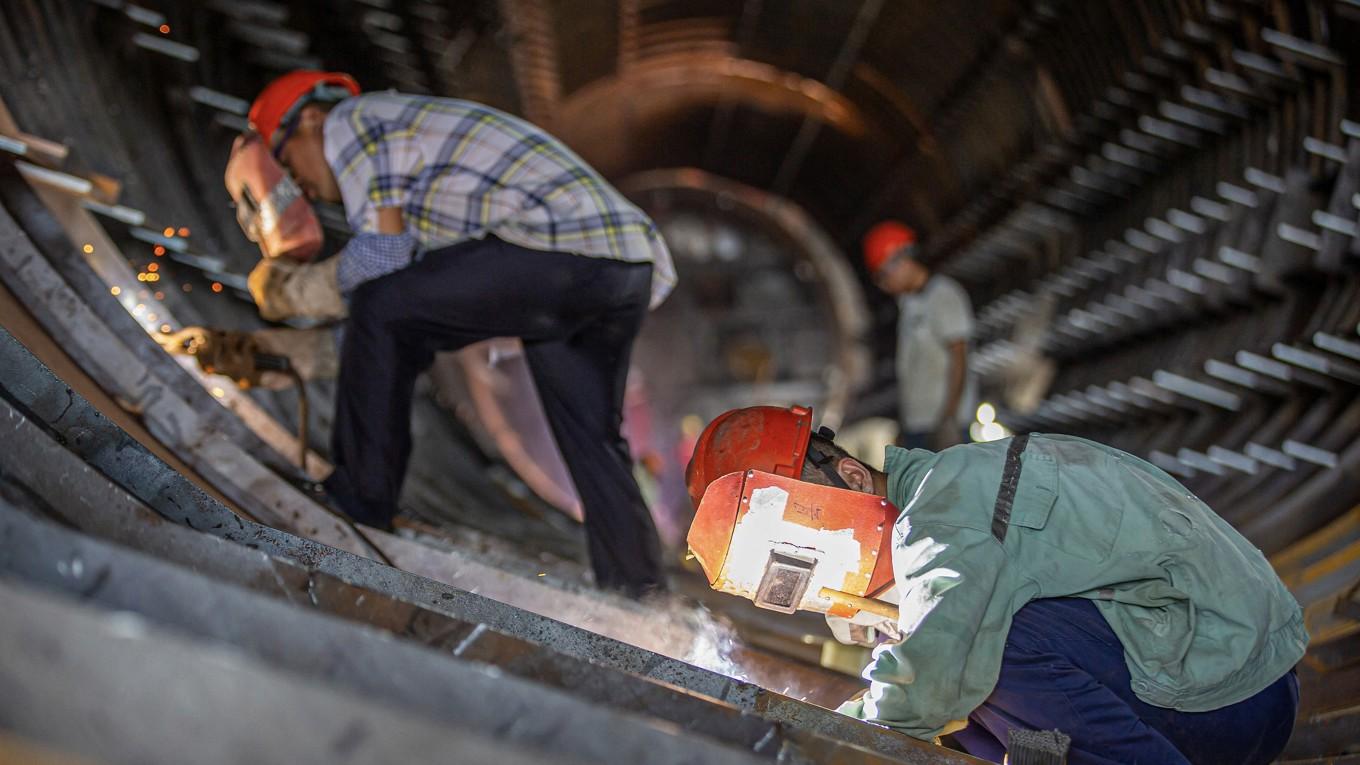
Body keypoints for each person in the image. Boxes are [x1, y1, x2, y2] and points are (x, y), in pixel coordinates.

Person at [243, 70, 676, 595]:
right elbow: (410, 326)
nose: (304, 188)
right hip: (620, 272)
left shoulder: (353, 122)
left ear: (309, 118)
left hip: (560, 250)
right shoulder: (425, 187)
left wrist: (295, 291)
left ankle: (358, 499)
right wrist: (313, 352)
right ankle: (639, 589)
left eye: (289, 161)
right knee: (594, 439)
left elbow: (382, 258)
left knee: (383, 303)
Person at [684, 405, 1305, 764]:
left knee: (978, 652)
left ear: (850, 474)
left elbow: (926, 679)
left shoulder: (946, 507)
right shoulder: (938, 512)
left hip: (1233, 703)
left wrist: (824, 739)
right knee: (965, 700)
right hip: (1200, 691)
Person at [863, 221, 976, 450]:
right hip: (918, 425)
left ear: (901, 260)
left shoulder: (943, 294)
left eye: (885, 275)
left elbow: (959, 358)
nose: (885, 286)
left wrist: (949, 419)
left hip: (945, 426)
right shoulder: (908, 303)